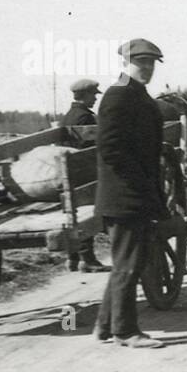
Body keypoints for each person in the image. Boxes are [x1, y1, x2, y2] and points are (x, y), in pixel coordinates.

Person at [93, 39, 168, 349]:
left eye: (151, 64)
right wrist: (141, 185)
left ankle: (105, 324)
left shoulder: (137, 96)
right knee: (129, 263)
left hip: (134, 193)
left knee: (127, 261)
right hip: (124, 196)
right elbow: (111, 149)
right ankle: (126, 331)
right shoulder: (117, 96)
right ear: (125, 63)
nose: (147, 69)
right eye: (141, 63)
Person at [60, 79, 109, 273]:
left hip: (69, 172)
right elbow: (91, 148)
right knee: (87, 214)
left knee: (75, 213)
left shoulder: (68, 116)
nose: (96, 98)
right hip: (85, 172)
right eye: (93, 95)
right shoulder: (86, 118)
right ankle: (87, 259)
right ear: (85, 95)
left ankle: (73, 258)